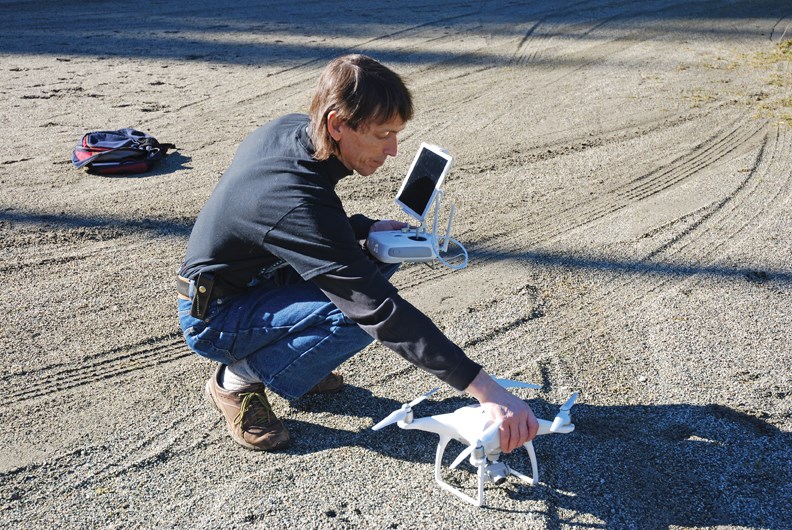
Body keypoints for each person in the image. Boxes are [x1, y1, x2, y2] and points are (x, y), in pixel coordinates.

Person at [177, 54, 538, 452]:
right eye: (383, 134)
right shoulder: (293, 198)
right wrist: (487, 390)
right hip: (215, 316)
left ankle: (295, 360)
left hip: (255, 279)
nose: (394, 150)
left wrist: (365, 228)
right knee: (354, 314)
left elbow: (285, 228)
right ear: (337, 124)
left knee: (380, 256)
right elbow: (378, 310)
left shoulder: (294, 131)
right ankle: (237, 380)